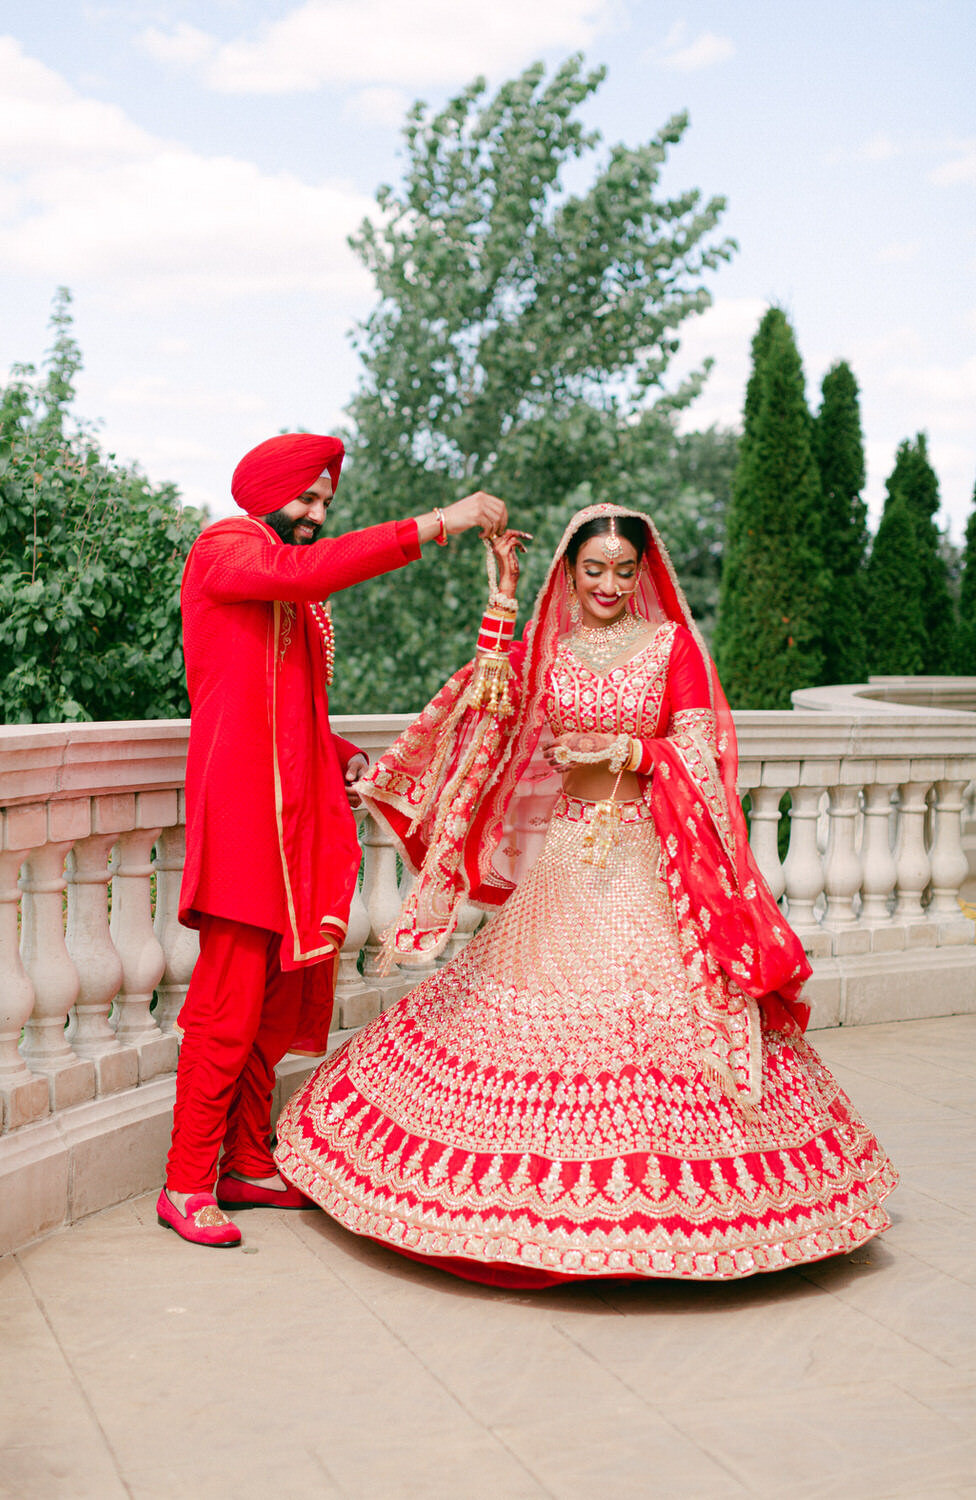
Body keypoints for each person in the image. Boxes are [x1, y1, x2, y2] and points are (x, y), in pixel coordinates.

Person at [273, 503, 898, 1287]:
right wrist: (502, 597)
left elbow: (701, 752)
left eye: (623, 569)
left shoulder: (671, 647)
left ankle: (688, 1216)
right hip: (570, 852)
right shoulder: (554, 650)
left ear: (643, 573)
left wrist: (633, 749)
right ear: (569, 571)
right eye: (593, 568)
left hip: (646, 850)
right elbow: (488, 709)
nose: (608, 583)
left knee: (653, 1018)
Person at [157, 431, 507, 1247]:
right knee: (227, 1005)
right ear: (262, 493)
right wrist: (438, 523)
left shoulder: (284, 583)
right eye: (305, 500)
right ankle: (184, 1183)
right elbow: (305, 571)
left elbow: (285, 708)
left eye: (325, 504)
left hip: (293, 819)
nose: (315, 515)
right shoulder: (227, 548)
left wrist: (343, 756)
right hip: (246, 819)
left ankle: (244, 1164)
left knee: (275, 1007)